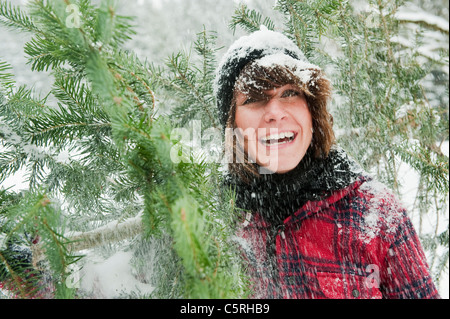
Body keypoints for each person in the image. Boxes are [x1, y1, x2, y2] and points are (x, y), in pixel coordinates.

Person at [214, 27, 440, 299]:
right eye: (253, 98)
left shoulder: (377, 215)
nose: (274, 112)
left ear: (313, 111)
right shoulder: (207, 219)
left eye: (289, 93)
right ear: (232, 124)